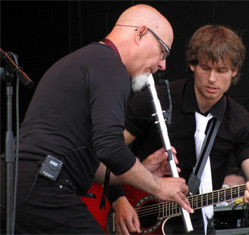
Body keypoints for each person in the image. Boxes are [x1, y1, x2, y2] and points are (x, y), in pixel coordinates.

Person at [0, 4, 193, 234]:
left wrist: (144, 171)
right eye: (163, 51)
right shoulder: (109, 65)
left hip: (17, 186)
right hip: (42, 185)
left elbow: (89, 168)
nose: (163, 65)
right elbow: (110, 147)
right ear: (141, 32)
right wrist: (158, 187)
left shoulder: (91, 60)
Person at [107, 24, 249, 234]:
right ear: (192, 64)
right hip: (137, 214)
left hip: (200, 226)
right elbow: (106, 150)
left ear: (234, 70)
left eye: (222, 70)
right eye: (206, 68)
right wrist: (118, 200)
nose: (212, 79)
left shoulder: (240, 122)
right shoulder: (156, 100)